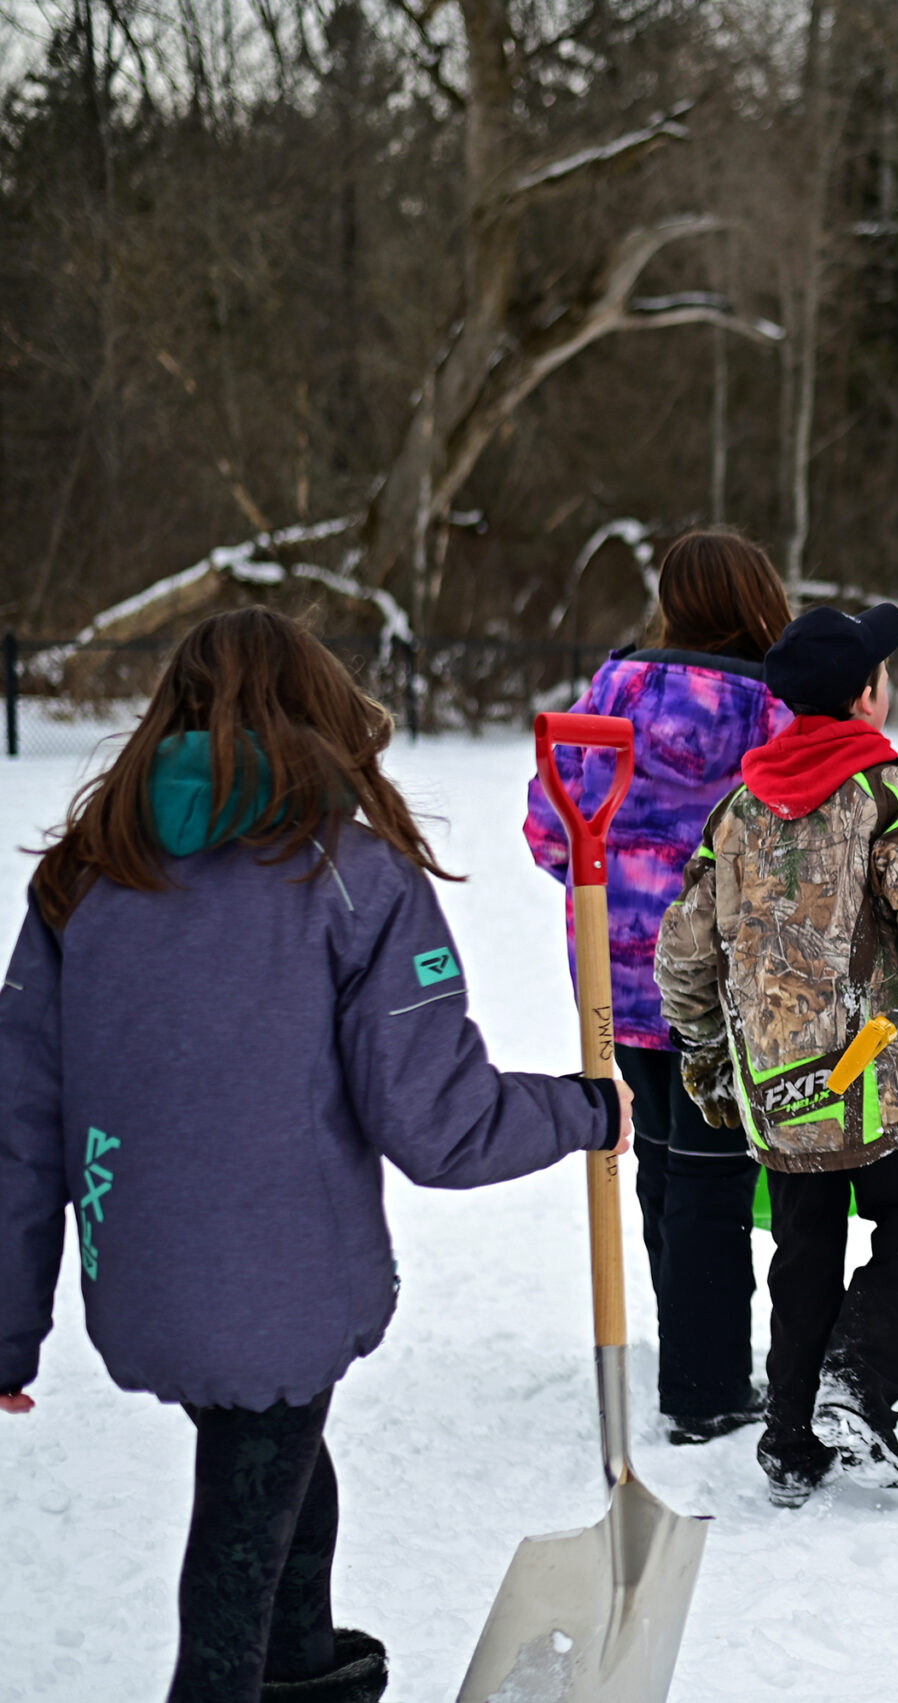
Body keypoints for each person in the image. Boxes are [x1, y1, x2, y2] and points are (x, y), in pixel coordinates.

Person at [0, 608, 630, 1703]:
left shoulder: (84, 876)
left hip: (143, 1277)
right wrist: (585, 1110)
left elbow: (18, 1123)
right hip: (281, 1289)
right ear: (321, 712)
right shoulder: (353, 876)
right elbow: (438, 1123)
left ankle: (304, 1670)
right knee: (233, 1572)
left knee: (282, 1476)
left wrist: (6, 1323)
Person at [656, 603, 898, 1505]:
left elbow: (686, 947)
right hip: (876, 1072)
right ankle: (858, 1375)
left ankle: (789, 1438)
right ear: (865, 695)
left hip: (779, 1085)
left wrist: (702, 1049)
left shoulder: (735, 812)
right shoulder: (887, 793)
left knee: (804, 1250)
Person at [525, 529, 794, 1446]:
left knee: (662, 1164)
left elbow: (548, 833)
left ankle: (689, 1343)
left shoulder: (611, 692)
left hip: (617, 974)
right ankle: (707, 1384)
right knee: (714, 1176)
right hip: (720, 983)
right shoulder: (770, 708)